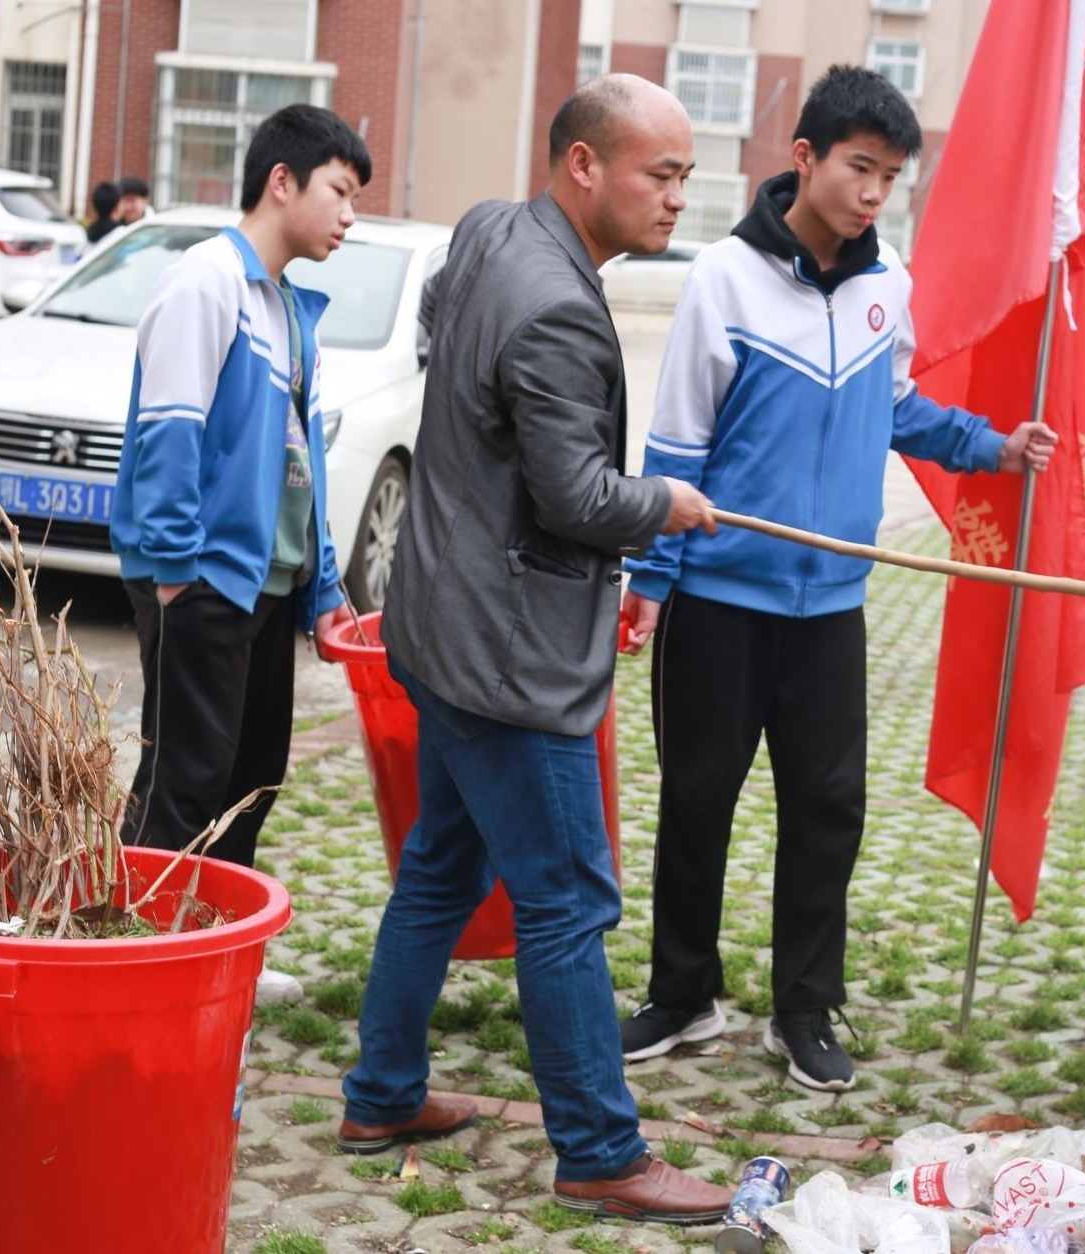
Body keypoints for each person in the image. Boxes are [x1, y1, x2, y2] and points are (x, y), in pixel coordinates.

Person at [337, 74, 732, 1225]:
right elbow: (571, 497)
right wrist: (663, 502)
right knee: (567, 900)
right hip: (505, 660)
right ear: (582, 167)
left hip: (439, 624)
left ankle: (379, 1094)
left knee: (442, 869)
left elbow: (451, 364)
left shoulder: (489, 228)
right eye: (658, 176)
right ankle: (600, 1151)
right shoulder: (557, 306)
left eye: (684, 179)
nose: (674, 201)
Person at [616, 65, 1057, 1093]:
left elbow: (896, 408)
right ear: (804, 158)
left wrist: (993, 445)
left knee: (827, 810)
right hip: (718, 602)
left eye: (890, 177)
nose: (871, 194)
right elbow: (675, 447)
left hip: (831, 609)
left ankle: (804, 1009)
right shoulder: (722, 281)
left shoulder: (883, 286)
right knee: (696, 800)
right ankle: (682, 994)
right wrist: (650, 580)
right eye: (859, 167)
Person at [109, 104, 365, 1001]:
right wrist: (178, 574)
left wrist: (322, 584)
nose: (347, 214)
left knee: (252, 776)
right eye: (338, 190)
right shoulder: (204, 283)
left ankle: (217, 953)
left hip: (267, 580)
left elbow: (303, 466)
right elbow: (167, 436)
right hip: (205, 580)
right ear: (281, 181)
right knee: (186, 776)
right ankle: (142, 967)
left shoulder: (290, 306)